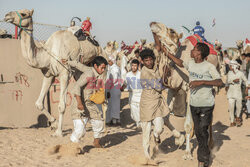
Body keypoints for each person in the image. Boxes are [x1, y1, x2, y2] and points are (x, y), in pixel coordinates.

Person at [164, 42, 223, 167]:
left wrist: (201, 82)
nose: (192, 51)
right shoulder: (190, 63)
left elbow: (219, 82)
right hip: (193, 104)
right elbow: (180, 63)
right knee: (198, 131)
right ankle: (205, 153)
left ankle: (202, 160)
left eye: (194, 49)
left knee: (202, 130)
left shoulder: (208, 67)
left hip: (206, 104)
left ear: (199, 53)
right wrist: (167, 53)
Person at [62, 56, 108, 148]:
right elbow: (77, 87)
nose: (103, 70)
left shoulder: (92, 71)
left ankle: (96, 142)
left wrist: (68, 62)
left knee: (99, 121)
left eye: (104, 68)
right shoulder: (89, 74)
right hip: (79, 103)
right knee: (80, 130)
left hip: (89, 104)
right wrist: (79, 103)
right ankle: (72, 147)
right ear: (95, 66)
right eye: (102, 68)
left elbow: (78, 65)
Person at [139, 49, 169, 159]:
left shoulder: (156, 67)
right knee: (146, 131)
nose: (149, 62)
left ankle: (156, 136)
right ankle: (147, 156)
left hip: (158, 101)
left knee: (159, 128)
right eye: (146, 60)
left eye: (150, 59)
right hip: (147, 102)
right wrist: (165, 80)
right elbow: (159, 86)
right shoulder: (145, 72)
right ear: (142, 61)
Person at [226, 60, 247, 126]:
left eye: (231, 66)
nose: (230, 67)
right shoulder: (229, 73)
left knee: (239, 107)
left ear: (234, 66)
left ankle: (238, 117)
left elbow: (246, 80)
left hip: (238, 93)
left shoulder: (241, 73)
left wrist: (247, 87)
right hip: (231, 93)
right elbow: (228, 80)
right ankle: (232, 121)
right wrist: (233, 80)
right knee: (231, 107)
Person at [123, 59, 142, 128]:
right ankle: (138, 122)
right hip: (132, 96)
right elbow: (125, 83)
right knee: (133, 113)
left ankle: (139, 124)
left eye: (135, 66)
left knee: (140, 111)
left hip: (140, 95)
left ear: (138, 66)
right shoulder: (128, 75)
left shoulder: (141, 74)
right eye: (132, 65)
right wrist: (121, 87)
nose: (133, 67)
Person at [106, 56, 122, 126]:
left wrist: (108, 88)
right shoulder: (114, 68)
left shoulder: (114, 69)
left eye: (109, 61)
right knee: (114, 104)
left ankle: (115, 121)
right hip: (115, 88)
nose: (108, 62)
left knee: (114, 105)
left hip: (114, 88)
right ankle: (115, 120)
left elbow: (114, 79)